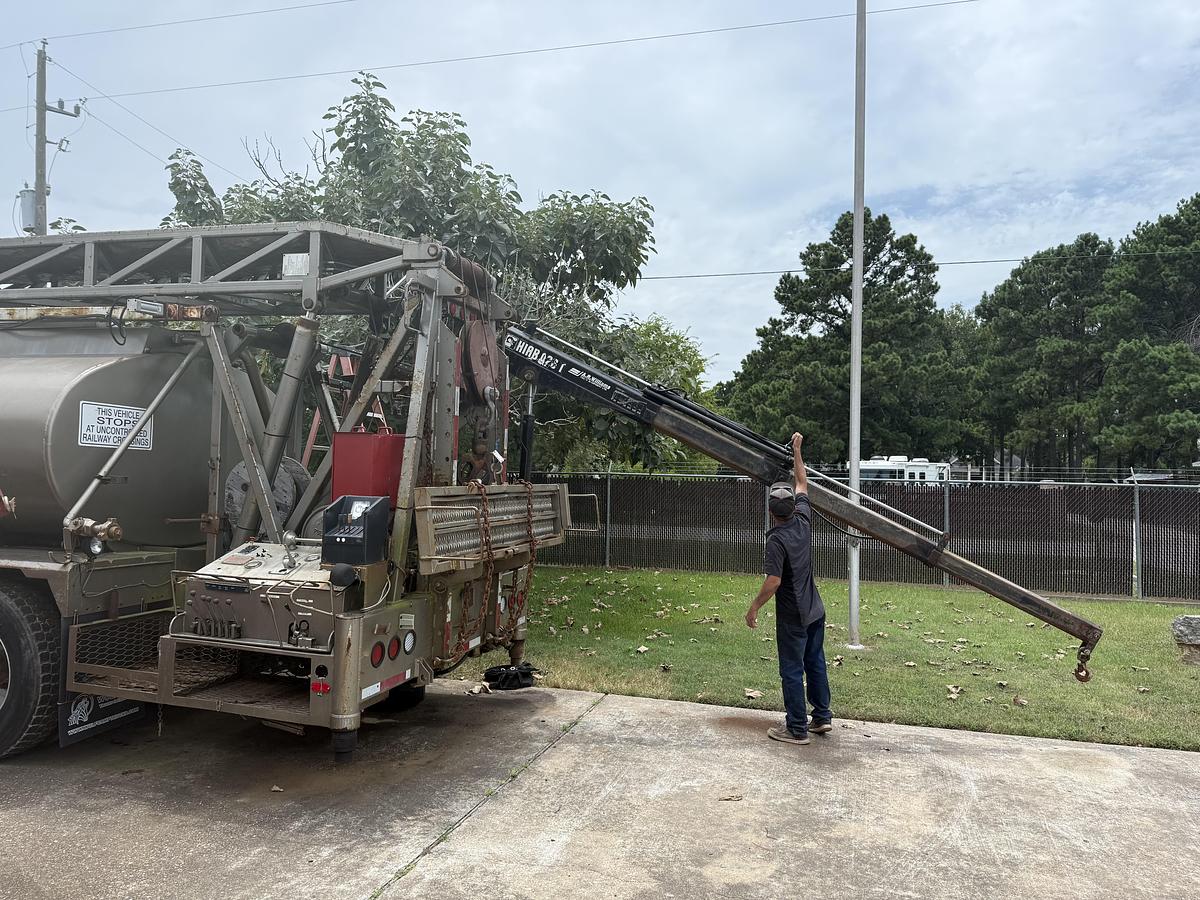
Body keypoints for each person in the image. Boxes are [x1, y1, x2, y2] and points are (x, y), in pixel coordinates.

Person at [744, 432, 832, 745]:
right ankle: (821, 717)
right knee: (815, 662)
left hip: (794, 615)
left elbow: (774, 581)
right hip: (815, 609)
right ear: (794, 507)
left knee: (792, 669)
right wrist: (797, 451)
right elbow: (803, 483)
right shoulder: (804, 520)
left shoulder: (776, 540)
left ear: (771, 511)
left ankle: (796, 728)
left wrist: (754, 607)